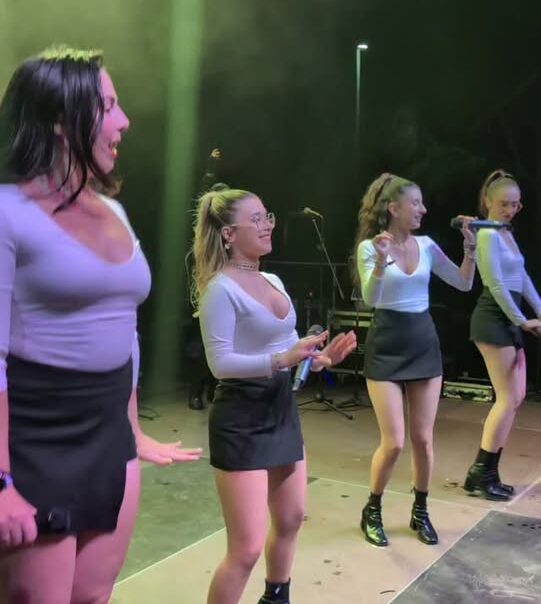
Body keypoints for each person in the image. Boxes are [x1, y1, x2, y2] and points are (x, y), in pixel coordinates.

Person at [0, 46, 201, 604]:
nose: (124, 121)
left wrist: (132, 429)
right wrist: (0, 481)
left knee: (93, 595)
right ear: (59, 119)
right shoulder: (7, 211)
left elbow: (125, 330)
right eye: (108, 106)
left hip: (110, 434)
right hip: (37, 440)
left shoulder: (113, 210)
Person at [192, 188, 356, 604]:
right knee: (245, 549)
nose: (267, 226)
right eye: (257, 219)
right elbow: (220, 363)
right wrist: (282, 359)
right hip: (242, 417)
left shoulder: (273, 281)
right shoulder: (219, 290)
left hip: (280, 408)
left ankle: (276, 598)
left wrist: (319, 360)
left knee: (291, 518)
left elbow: (289, 346)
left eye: (268, 217)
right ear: (228, 234)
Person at [355, 173, 476, 547]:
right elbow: (372, 299)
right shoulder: (371, 247)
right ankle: (372, 509)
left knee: (423, 439)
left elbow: (463, 283)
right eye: (416, 203)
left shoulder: (427, 245)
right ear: (394, 208)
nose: (423, 209)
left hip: (422, 343)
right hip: (387, 343)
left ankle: (420, 511)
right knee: (393, 442)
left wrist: (470, 249)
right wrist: (381, 261)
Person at [465, 170, 541, 501]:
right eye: (504, 204)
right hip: (493, 318)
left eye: (515, 205)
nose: (510, 210)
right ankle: (481, 473)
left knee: (516, 396)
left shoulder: (505, 232)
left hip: (510, 317)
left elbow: (522, 278)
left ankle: (486, 471)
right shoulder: (487, 235)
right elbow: (495, 284)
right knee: (508, 398)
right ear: (488, 201)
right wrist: (522, 320)